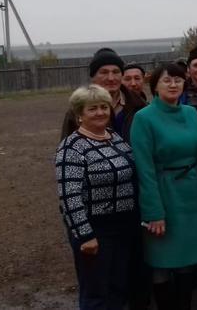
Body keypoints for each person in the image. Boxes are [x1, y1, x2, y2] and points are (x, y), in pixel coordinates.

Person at [130, 63, 197, 310]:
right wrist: (153, 212)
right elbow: (144, 170)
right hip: (164, 194)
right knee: (163, 261)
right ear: (155, 86)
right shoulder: (143, 118)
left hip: (192, 195)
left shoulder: (191, 113)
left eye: (178, 80)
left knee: (189, 260)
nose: (173, 84)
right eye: (166, 80)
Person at [55, 85, 138, 309]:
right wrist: (85, 236)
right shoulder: (72, 147)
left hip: (123, 227)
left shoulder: (115, 138)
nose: (100, 112)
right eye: (92, 109)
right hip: (96, 230)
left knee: (118, 287)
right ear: (79, 114)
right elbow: (69, 196)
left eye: (104, 107)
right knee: (96, 293)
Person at [61, 48, 146, 142]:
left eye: (115, 72)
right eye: (104, 72)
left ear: (122, 75)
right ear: (93, 77)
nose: (111, 78)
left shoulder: (139, 105)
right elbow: (66, 146)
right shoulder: (78, 110)